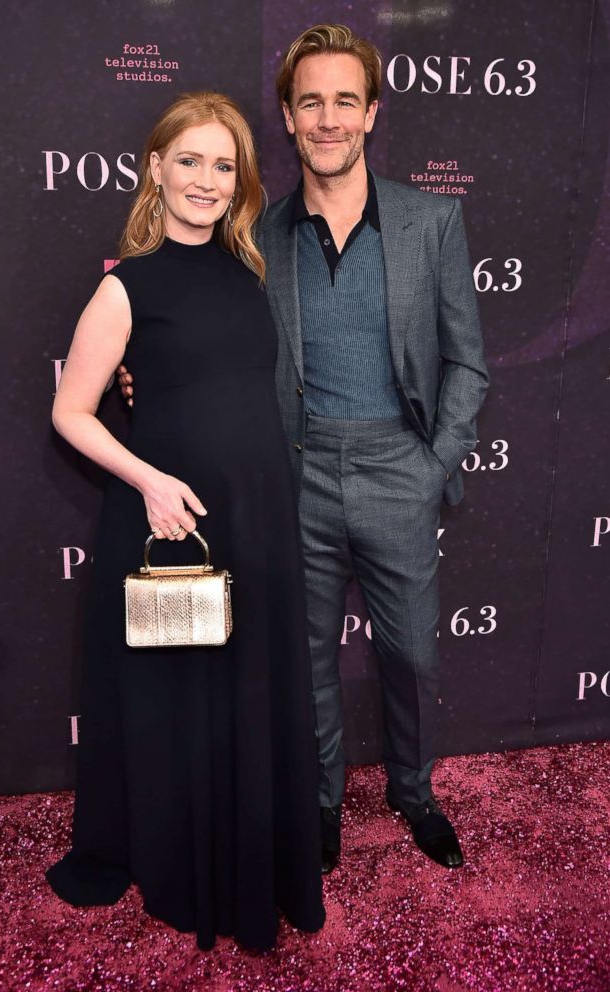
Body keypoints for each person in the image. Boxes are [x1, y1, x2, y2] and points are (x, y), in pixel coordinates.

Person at [121, 25, 489, 875]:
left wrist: (433, 465)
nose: (328, 119)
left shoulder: (431, 220)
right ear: (286, 117)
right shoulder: (255, 235)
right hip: (295, 473)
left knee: (412, 654)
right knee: (306, 656)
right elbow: (202, 332)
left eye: (344, 101)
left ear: (372, 113)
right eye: (310, 102)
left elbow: (466, 359)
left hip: (399, 465)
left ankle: (414, 793)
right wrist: (148, 381)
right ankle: (320, 804)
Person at [45, 91, 325, 952]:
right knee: (182, 701)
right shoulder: (125, 285)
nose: (206, 179)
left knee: (249, 684)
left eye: (223, 164)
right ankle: (184, 860)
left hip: (258, 513)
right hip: (174, 524)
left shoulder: (247, 273)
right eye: (190, 160)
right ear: (156, 168)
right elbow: (71, 412)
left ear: (239, 181)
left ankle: (253, 848)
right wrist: (150, 483)